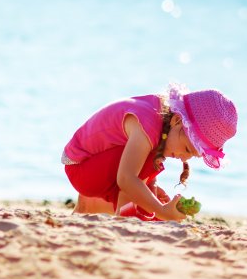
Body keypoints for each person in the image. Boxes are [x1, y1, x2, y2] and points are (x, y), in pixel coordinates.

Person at [61, 84, 236, 221]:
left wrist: (151, 193)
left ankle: (110, 212)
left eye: (192, 155)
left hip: (94, 165)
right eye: (187, 149)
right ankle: (124, 218)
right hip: (81, 167)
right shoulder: (147, 126)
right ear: (176, 120)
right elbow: (126, 178)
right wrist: (161, 210)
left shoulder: (161, 120)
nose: (184, 157)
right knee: (142, 177)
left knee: (146, 197)